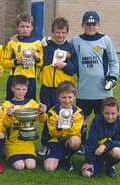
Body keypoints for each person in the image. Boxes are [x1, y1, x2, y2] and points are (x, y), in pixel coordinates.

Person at [70, 11, 120, 154]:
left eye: (94, 24)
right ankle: (82, 143)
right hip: (84, 89)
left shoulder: (105, 40)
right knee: (82, 118)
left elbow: (113, 60)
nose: (91, 27)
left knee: (103, 118)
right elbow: (62, 49)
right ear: (82, 25)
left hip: (103, 90)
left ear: (98, 25)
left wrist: (113, 77)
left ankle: (102, 144)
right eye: (88, 24)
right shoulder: (75, 41)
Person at [37, 17, 77, 156]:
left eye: (63, 33)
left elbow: (74, 68)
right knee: (47, 114)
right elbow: (30, 46)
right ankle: (46, 144)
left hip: (63, 89)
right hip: (47, 87)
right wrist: (16, 38)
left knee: (62, 113)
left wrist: (65, 65)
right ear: (52, 32)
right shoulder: (45, 45)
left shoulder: (70, 48)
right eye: (57, 32)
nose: (60, 35)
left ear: (67, 33)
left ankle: (64, 141)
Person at [0, 75, 47, 170]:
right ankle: (6, 152)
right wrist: (8, 115)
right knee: (20, 166)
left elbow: (42, 120)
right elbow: (5, 124)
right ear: (12, 88)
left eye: (23, 89)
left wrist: (42, 112)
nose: (21, 92)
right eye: (18, 89)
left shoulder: (32, 103)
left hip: (27, 143)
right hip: (13, 142)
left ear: (27, 89)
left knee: (31, 165)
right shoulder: (6, 105)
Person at [81, 97, 120, 178]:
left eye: (113, 113)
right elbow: (91, 142)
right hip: (96, 153)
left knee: (117, 152)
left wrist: (105, 146)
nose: (110, 116)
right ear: (102, 112)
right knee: (86, 174)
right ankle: (99, 163)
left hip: (110, 151)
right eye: (106, 113)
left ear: (118, 112)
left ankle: (109, 165)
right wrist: (89, 161)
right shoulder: (97, 121)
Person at [43, 81, 84, 172]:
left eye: (70, 97)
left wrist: (71, 124)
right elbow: (52, 133)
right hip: (55, 141)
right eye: (64, 97)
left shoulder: (78, 112)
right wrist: (59, 128)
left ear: (74, 96)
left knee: (75, 141)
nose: (67, 100)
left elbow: (76, 132)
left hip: (69, 140)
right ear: (58, 97)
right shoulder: (52, 112)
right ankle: (59, 158)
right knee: (49, 168)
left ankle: (66, 158)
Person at [3, 13, 43, 100]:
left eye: (28, 26)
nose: (25, 29)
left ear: (32, 28)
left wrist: (37, 57)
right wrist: (16, 61)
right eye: (22, 26)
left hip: (30, 78)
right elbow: (4, 63)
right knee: (12, 105)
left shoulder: (37, 43)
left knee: (30, 105)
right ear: (17, 28)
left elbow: (41, 64)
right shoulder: (12, 43)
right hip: (15, 78)